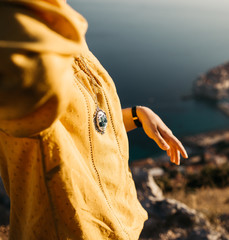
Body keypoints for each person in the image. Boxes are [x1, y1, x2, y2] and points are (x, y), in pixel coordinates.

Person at [0, 0, 188, 239]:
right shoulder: (22, 43)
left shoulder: (63, 35)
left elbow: (83, 128)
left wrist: (137, 116)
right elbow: (33, 97)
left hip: (120, 222)